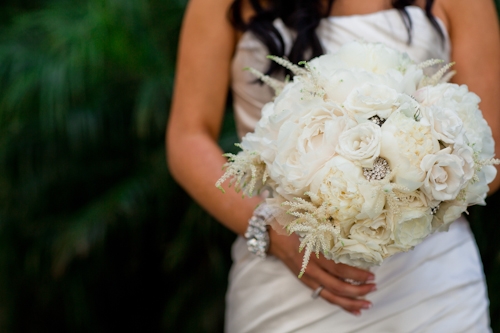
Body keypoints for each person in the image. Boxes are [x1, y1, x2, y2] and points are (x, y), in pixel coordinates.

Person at [167, 0, 500, 331]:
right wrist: (268, 225)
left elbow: (490, 153)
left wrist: (402, 193)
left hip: (430, 285)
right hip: (286, 280)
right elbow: (188, 136)